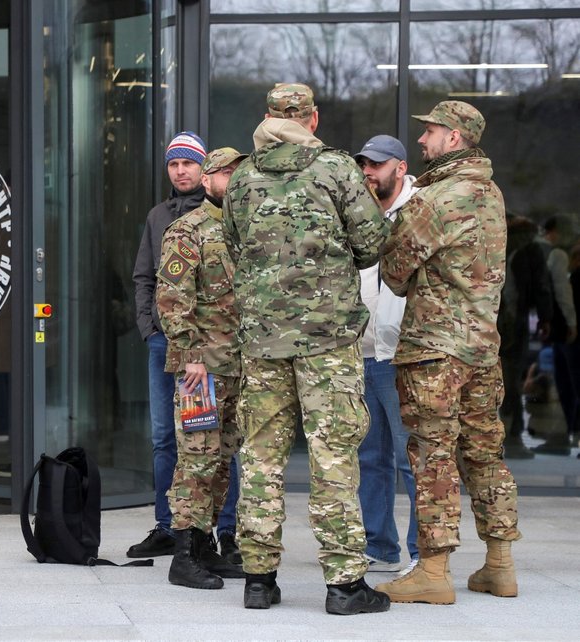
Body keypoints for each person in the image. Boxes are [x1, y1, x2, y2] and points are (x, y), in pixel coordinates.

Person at [222, 82, 390, 615]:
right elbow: (371, 244)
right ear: (311, 119)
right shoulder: (336, 169)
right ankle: (343, 586)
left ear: (268, 117)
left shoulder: (243, 175)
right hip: (327, 342)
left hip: (263, 341)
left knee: (261, 459)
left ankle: (258, 580)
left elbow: (232, 246)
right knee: (334, 457)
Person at [376, 100, 521, 604]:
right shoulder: (491, 193)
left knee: (433, 455)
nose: (422, 140)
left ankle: (433, 573)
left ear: (454, 138)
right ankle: (499, 565)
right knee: (485, 453)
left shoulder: (437, 199)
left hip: (435, 351)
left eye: (431, 131)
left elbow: (393, 272)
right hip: (483, 348)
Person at [131, 132, 242, 560]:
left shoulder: (232, 217)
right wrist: (151, 330)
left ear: (204, 171)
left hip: (218, 354)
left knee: (220, 442)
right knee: (168, 439)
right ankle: (171, 527)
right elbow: (148, 278)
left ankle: (223, 531)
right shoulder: (161, 218)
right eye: (174, 164)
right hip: (172, 347)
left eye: (189, 164)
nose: (181, 171)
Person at [156, 147, 247, 589]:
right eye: (224, 173)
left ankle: (206, 544)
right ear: (207, 181)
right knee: (197, 458)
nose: (232, 179)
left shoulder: (244, 229)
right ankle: (184, 554)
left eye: (237, 172)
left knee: (223, 459)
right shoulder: (188, 230)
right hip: (200, 370)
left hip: (236, 367)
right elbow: (172, 299)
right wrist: (190, 354)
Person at [353, 135, 420, 576]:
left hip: (403, 356)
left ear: (400, 167)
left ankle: (422, 552)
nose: (368, 172)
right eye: (364, 165)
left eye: (376, 165)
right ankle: (380, 545)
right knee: (370, 458)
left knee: (410, 458)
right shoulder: (359, 213)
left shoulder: (420, 212)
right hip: (363, 354)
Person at [499, 215, 552, 459]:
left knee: (500, 378)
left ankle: (507, 434)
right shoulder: (531, 251)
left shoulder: (496, 244)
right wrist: (545, 317)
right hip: (513, 320)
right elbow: (540, 286)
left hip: (493, 319)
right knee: (511, 377)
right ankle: (512, 435)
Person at [533, 215, 578, 455]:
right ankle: (565, 433)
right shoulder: (557, 255)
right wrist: (571, 322)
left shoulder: (549, 254)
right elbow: (562, 293)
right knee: (566, 381)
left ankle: (565, 433)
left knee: (566, 381)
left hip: (558, 328)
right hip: (562, 328)